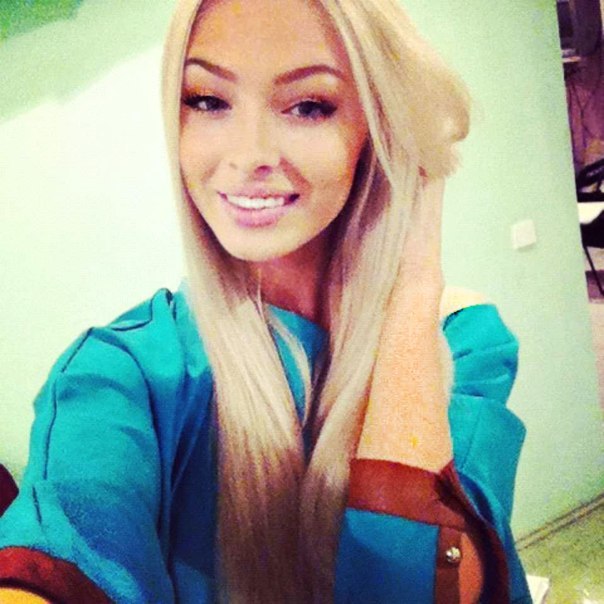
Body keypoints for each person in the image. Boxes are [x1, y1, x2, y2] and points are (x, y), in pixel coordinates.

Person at [0, 0, 532, 602]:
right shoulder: (123, 373)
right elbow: (63, 548)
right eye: (208, 100)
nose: (249, 153)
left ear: (377, 130)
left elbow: (433, 581)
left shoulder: (462, 338)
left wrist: (411, 286)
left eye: (309, 106)